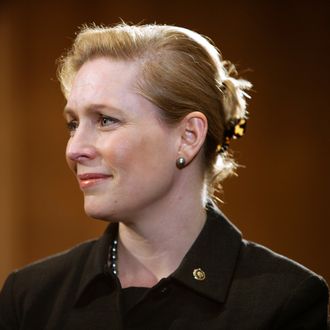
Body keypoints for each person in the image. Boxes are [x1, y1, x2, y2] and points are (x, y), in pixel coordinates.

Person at [0, 22, 328, 330]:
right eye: (73, 124)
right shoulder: (30, 297)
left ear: (188, 136)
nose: (74, 149)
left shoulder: (284, 302)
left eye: (105, 120)